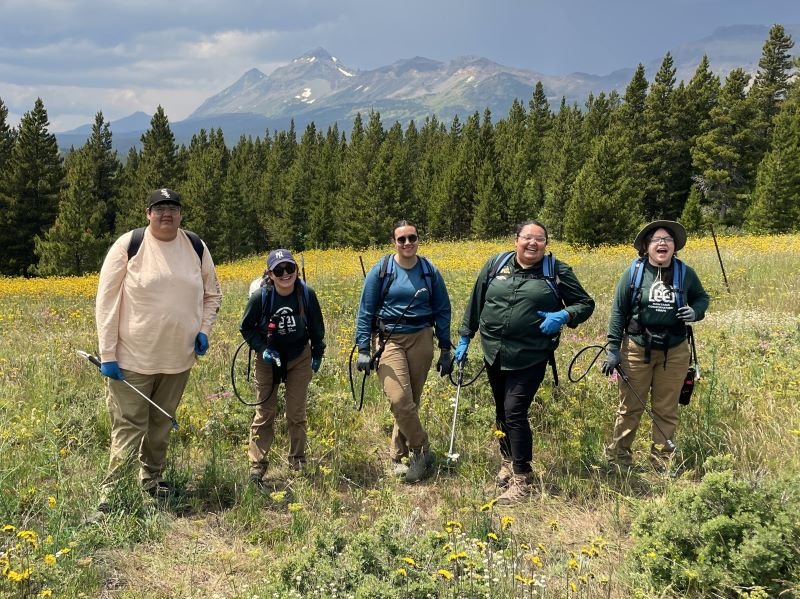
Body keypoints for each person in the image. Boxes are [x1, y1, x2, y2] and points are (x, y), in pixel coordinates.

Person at [94, 188, 222, 512]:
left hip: (178, 360)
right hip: (131, 361)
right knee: (129, 427)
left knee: (161, 426)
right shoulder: (129, 245)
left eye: (173, 208)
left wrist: (204, 330)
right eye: (160, 208)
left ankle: (150, 484)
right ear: (147, 213)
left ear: (181, 214)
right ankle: (111, 498)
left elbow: (212, 294)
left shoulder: (195, 246)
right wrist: (107, 354)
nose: (167, 214)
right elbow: (106, 302)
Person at [455, 220, 594, 504]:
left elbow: (585, 303)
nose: (533, 243)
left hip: (530, 355)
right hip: (494, 351)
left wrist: (564, 316)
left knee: (514, 410)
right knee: (501, 411)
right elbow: (476, 300)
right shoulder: (496, 264)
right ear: (515, 239)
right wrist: (465, 337)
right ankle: (507, 461)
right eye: (527, 238)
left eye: (539, 239)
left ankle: (523, 478)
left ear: (546, 243)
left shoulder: (556, 271)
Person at [602, 220, 709, 471]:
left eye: (668, 240)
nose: (662, 243)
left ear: (675, 246)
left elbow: (702, 298)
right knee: (630, 407)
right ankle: (619, 460)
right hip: (637, 349)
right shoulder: (634, 273)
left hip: (675, 351)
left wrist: (696, 312)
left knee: (666, 409)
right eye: (657, 240)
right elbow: (618, 311)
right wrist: (613, 349)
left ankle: (661, 463)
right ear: (646, 247)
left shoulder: (685, 273)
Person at [355, 220, 453, 483]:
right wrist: (364, 347)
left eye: (412, 238)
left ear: (418, 239)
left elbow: (443, 309)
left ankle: (397, 455)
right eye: (402, 239)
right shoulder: (382, 270)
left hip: (421, 337)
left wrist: (445, 347)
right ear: (394, 242)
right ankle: (422, 450)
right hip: (388, 340)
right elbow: (365, 310)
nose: (408, 243)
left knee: (410, 401)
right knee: (399, 399)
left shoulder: (429, 271)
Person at [239, 249, 325, 484]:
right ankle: (257, 466)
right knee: (264, 413)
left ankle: (297, 462)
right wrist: (262, 348)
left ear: (296, 270)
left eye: (290, 268)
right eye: (279, 270)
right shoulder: (260, 297)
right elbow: (245, 328)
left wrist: (317, 353)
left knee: (296, 413)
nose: (285, 274)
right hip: (268, 359)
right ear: (270, 274)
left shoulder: (306, 294)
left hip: (298, 357)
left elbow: (317, 328)